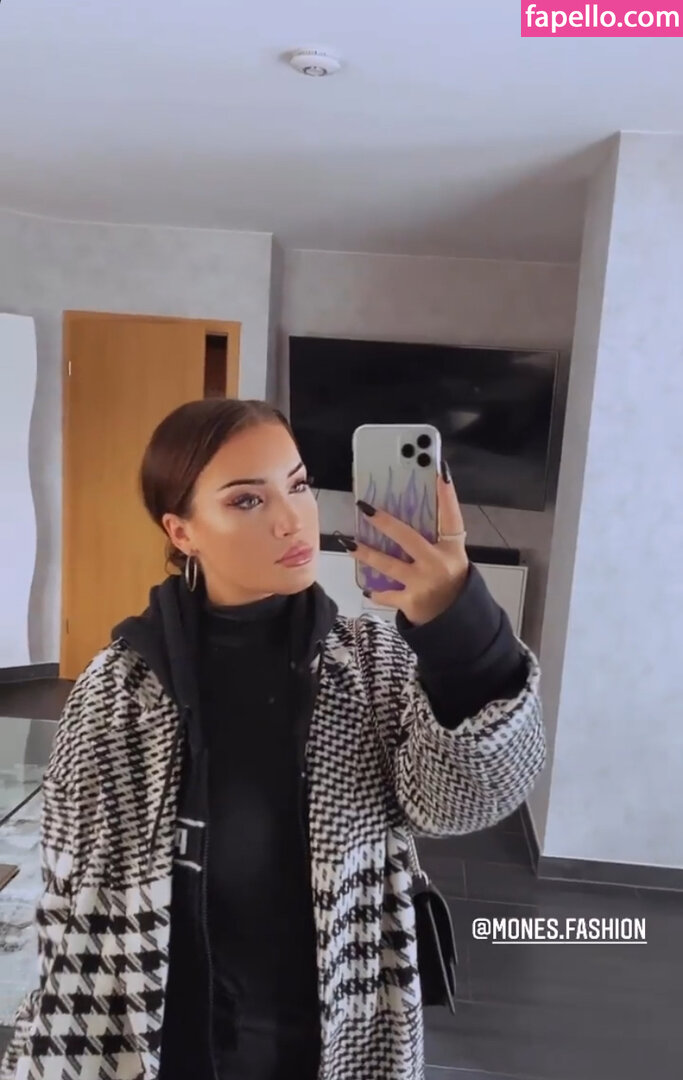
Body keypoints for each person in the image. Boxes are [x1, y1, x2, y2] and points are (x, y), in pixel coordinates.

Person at [1, 398, 546, 1080]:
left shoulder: (368, 665)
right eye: (247, 500)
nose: (292, 518)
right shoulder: (118, 688)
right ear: (182, 531)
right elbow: (70, 903)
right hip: (159, 1043)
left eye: (297, 485)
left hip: (332, 1038)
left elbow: (463, 802)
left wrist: (459, 629)